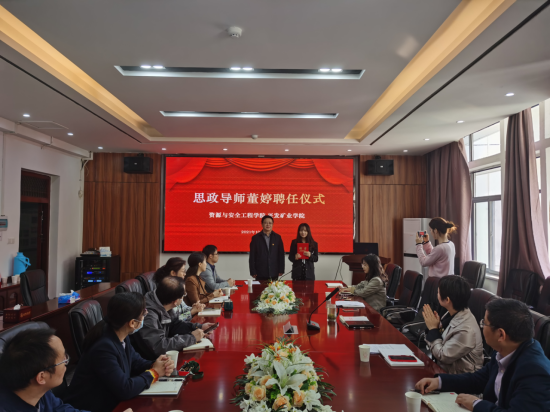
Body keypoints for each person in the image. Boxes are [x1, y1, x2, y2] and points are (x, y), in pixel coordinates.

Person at [415, 299, 550, 412]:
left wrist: (476, 404)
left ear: (501, 335)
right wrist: (439, 382)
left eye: (484, 323)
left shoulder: (535, 373)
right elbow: (478, 379)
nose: (481, 326)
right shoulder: (504, 351)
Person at [65, 292, 174, 412]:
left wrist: (156, 364)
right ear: (132, 323)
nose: (146, 315)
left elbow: (135, 362)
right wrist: (154, 373)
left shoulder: (120, 333)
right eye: (144, 313)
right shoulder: (103, 347)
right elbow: (125, 389)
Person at [0, 328, 87, 412]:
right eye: (63, 360)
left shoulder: (40, 392)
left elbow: (59, 409)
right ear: (41, 377)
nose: (66, 362)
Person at [135, 276, 215, 359]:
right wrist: (191, 338)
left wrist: (199, 327)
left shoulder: (163, 301)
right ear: (176, 301)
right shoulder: (148, 314)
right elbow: (159, 346)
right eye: (184, 295)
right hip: (150, 360)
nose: (184, 297)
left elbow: (175, 324)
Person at [422, 275, 483, 374]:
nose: (437, 294)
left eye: (438, 292)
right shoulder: (453, 312)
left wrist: (433, 329)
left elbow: (442, 356)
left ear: (447, 300)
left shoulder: (466, 330)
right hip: (447, 370)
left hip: (462, 378)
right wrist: (436, 327)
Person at [154, 257, 205, 322]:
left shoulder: (177, 287)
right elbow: (172, 321)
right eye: (183, 271)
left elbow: (183, 307)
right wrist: (191, 312)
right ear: (173, 273)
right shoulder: (166, 291)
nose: (185, 274)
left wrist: (194, 308)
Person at [249, 215, 285, 281]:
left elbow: (281, 255)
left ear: (272, 224)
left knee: (274, 287)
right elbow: (252, 256)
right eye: (265, 223)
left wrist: (281, 269)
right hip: (260, 272)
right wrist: (252, 271)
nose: (268, 224)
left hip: (274, 271)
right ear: (262, 224)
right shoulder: (255, 238)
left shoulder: (277, 237)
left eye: (270, 223)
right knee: (260, 288)